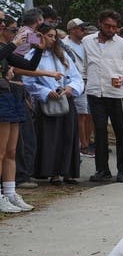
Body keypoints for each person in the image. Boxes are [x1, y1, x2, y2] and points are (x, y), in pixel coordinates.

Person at [82, 10, 123, 183]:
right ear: (100, 23)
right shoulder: (87, 41)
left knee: (122, 131)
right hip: (95, 93)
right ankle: (102, 169)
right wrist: (85, 84)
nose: (111, 30)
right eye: (108, 26)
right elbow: (84, 67)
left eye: (114, 27)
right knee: (99, 132)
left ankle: (122, 170)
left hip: (117, 95)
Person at [23, 24, 84, 185]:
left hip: (65, 100)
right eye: (49, 35)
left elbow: (76, 76)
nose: (53, 39)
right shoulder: (32, 55)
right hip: (47, 102)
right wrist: (44, 91)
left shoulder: (61, 54)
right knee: (51, 137)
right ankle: (53, 173)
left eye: (54, 36)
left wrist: (71, 87)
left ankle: (68, 172)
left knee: (68, 136)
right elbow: (28, 81)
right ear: (41, 36)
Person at [0, 15, 45, 212]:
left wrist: (39, 49)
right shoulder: (7, 46)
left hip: (10, 94)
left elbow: (28, 66)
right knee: (0, 151)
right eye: (4, 24)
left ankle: (10, 193)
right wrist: (15, 44)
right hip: (2, 96)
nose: (3, 25)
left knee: (11, 151)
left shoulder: (7, 46)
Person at [63, 18, 93, 157]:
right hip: (72, 81)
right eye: (81, 28)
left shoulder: (85, 44)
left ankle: (85, 142)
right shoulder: (64, 44)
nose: (84, 31)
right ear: (73, 29)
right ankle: (82, 145)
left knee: (86, 114)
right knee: (77, 114)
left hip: (86, 81)